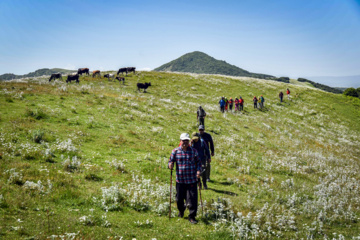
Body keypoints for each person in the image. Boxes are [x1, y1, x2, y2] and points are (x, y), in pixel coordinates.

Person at [168, 133, 201, 224]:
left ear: (189, 141)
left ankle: (192, 217)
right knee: (179, 199)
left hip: (191, 180)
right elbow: (170, 161)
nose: (185, 142)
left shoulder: (193, 151)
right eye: (183, 141)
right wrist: (170, 165)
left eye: (186, 140)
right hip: (180, 180)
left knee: (192, 199)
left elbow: (198, 162)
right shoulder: (175, 151)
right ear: (180, 141)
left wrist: (198, 171)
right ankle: (181, 210)